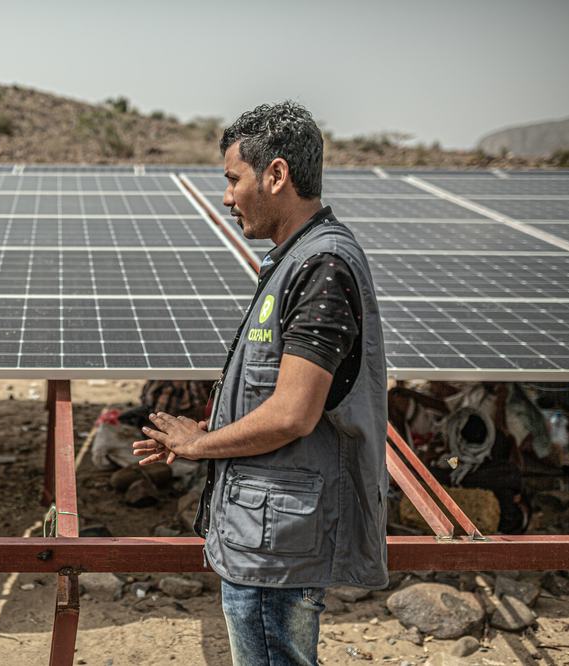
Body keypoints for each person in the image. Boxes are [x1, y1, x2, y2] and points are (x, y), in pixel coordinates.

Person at [134, 102, 388, 666]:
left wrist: (199, 445)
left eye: (232, 179)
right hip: (267, 533)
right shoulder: (297, 261)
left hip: (280, 545)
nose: (226, 197)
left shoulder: (323, 267)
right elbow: (274, 397)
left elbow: (293, 413)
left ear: (276, 175)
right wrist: (209, 428)